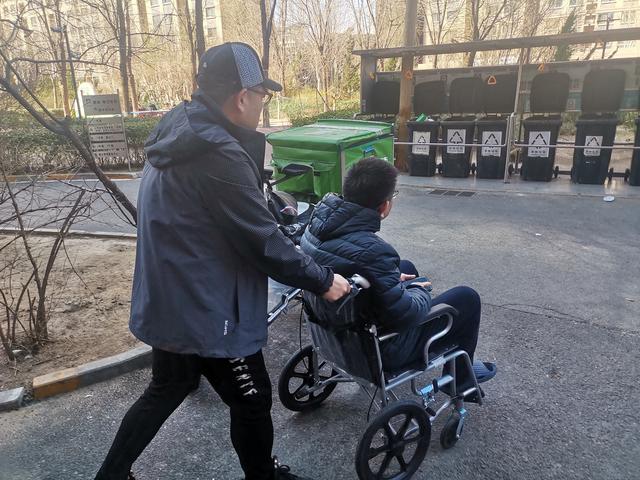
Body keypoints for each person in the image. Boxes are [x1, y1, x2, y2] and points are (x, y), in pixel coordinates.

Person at [94, 42, 351, 480]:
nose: (263, 105)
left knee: (169, 386)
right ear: (242, 97)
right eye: (262, 95)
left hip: (170, 296)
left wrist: (264, 205)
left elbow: (214, 209)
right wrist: (324, 280)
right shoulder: (216, 151)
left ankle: (111, 475)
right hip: (207, 309)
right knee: (252, 399)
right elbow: (263, 243)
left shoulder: (179, 129)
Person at [300, 157, 496, 399]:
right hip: (380, 349)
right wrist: (418, 289)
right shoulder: (375, 251)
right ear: (384, 206)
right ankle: (461, 381)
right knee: (467, 298)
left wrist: (393, 278)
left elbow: (354, 265)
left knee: (405, 266)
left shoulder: (315, 226)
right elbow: (407, 315)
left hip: (331, 331)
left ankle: (458, 371)